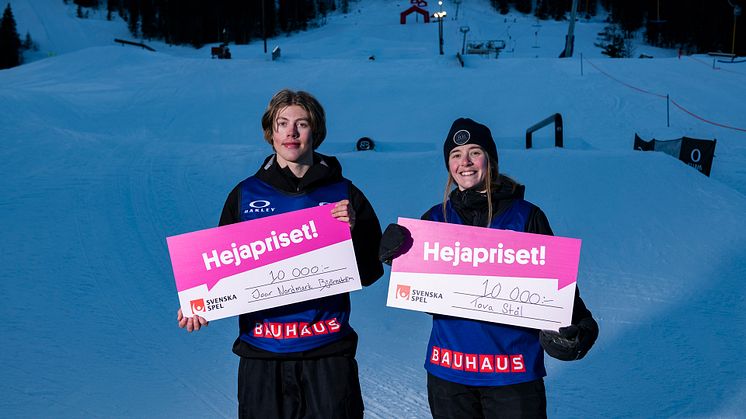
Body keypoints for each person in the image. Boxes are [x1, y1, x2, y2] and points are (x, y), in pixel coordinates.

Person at [177, 89, 384, 419]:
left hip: (327, 352)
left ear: (315, 132)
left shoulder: (343, 193)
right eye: (282, 123)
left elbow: (370, 272)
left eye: (301, 124)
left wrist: (355, 232)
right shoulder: (245, 195)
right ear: (270, 133)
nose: (291, 132)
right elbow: (219, 266)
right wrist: (196, 302)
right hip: (262, 354)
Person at [378, 118, 599, 419]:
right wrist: (396, 255)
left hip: (512, 375)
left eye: (474, 152)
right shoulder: (433, 221)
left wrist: (576, 332)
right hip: (449, 375)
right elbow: (425, 293)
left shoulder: (526, 217)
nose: (465, 162)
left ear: (490, 160)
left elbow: (562, 297)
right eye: (455, 155)